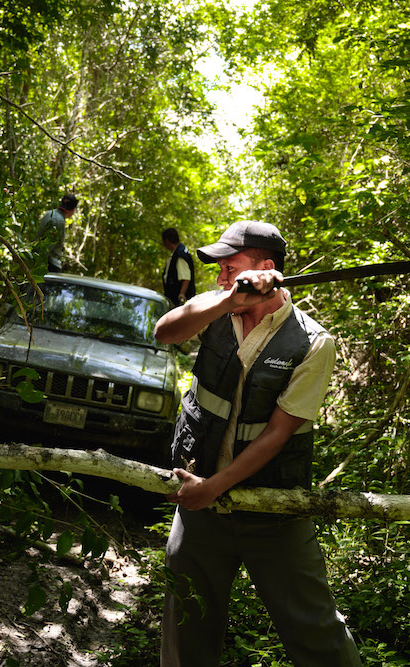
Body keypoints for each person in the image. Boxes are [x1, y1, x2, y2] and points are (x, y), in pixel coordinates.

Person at [154, 220, 362, 667]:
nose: (220, 277)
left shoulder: (313, 342)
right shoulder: (216, 306)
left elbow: (278, 433)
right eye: (220, 270)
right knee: (186, 628)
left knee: (318, 633)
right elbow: (165, 333)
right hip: (200, 509)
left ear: (266, 269)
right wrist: (228, 298)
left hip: (273, 509)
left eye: (231, 268)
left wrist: (216, 486)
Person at [33, 193, 78, 273]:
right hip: (49, 264)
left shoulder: (50, 213)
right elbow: (46, 248)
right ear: (73, 210)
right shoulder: (58, 222)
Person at [161, 227, 197, 306]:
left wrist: (182, 294)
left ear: (167, 241)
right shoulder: (179, 251)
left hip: (178, 301)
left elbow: (186, 278)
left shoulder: (180, 255)